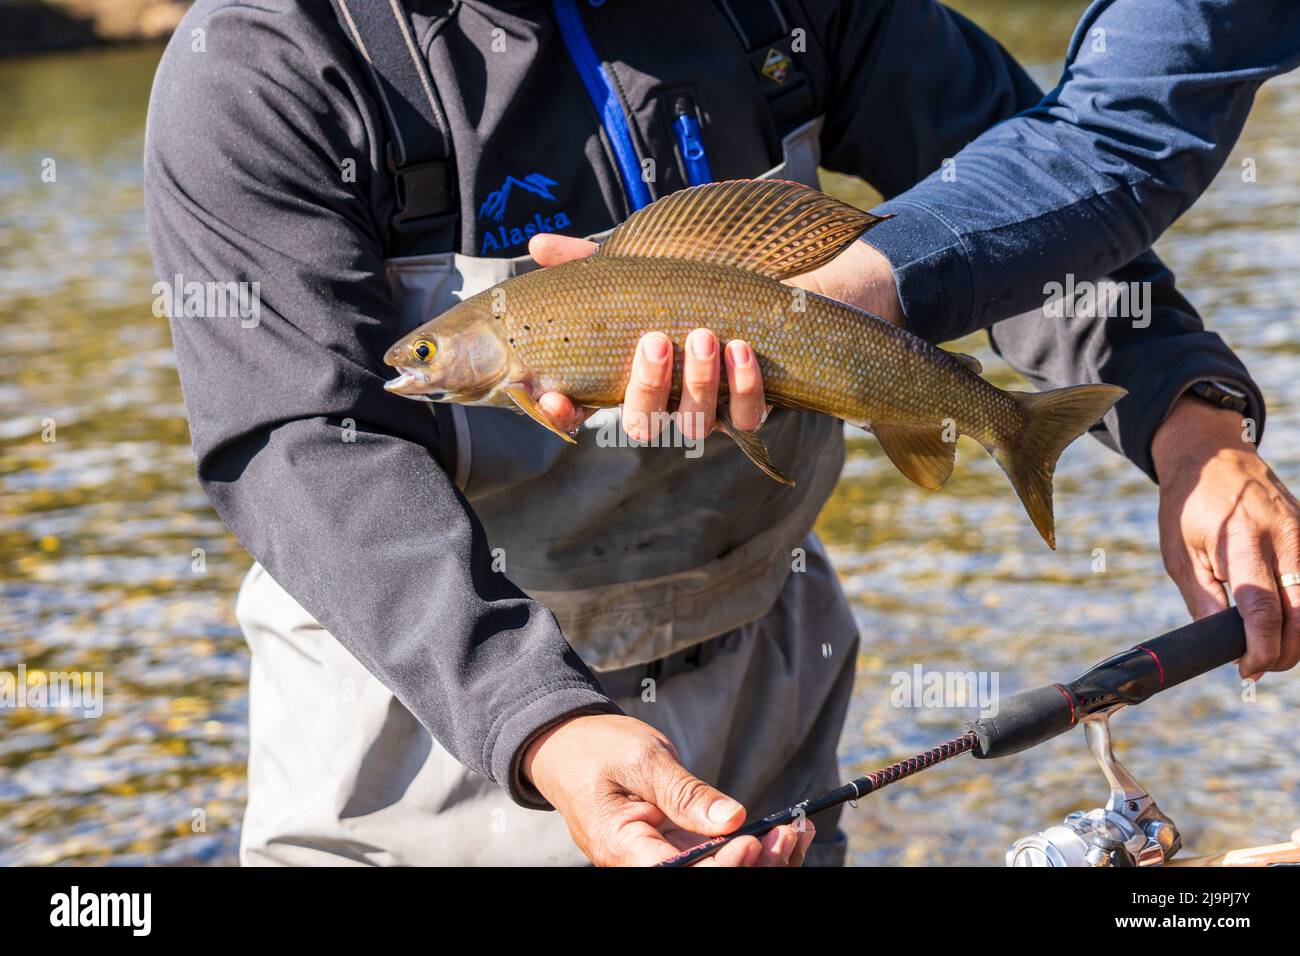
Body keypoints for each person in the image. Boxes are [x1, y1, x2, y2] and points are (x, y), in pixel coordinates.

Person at [143, 0, 1294, 867]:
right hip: (426, 716)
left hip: (770, 676)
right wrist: (541, 718)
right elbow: (299, 441)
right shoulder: (257, 68)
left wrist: (1181, 414)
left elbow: (1020, 176)